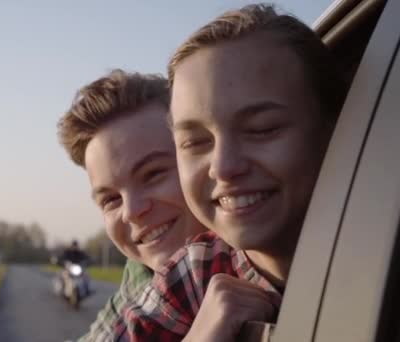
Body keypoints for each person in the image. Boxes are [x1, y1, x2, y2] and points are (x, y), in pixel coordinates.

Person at [112, 4, 350, 341]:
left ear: (333, 130)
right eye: (195, 142)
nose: (223, 167)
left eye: (262, 128)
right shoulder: (192, 276)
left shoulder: (382, 247)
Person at [57, 69, 207, 340]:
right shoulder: (139, 275)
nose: (133, 211)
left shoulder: (267, 263)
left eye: (153, 174)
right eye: (111, 199)